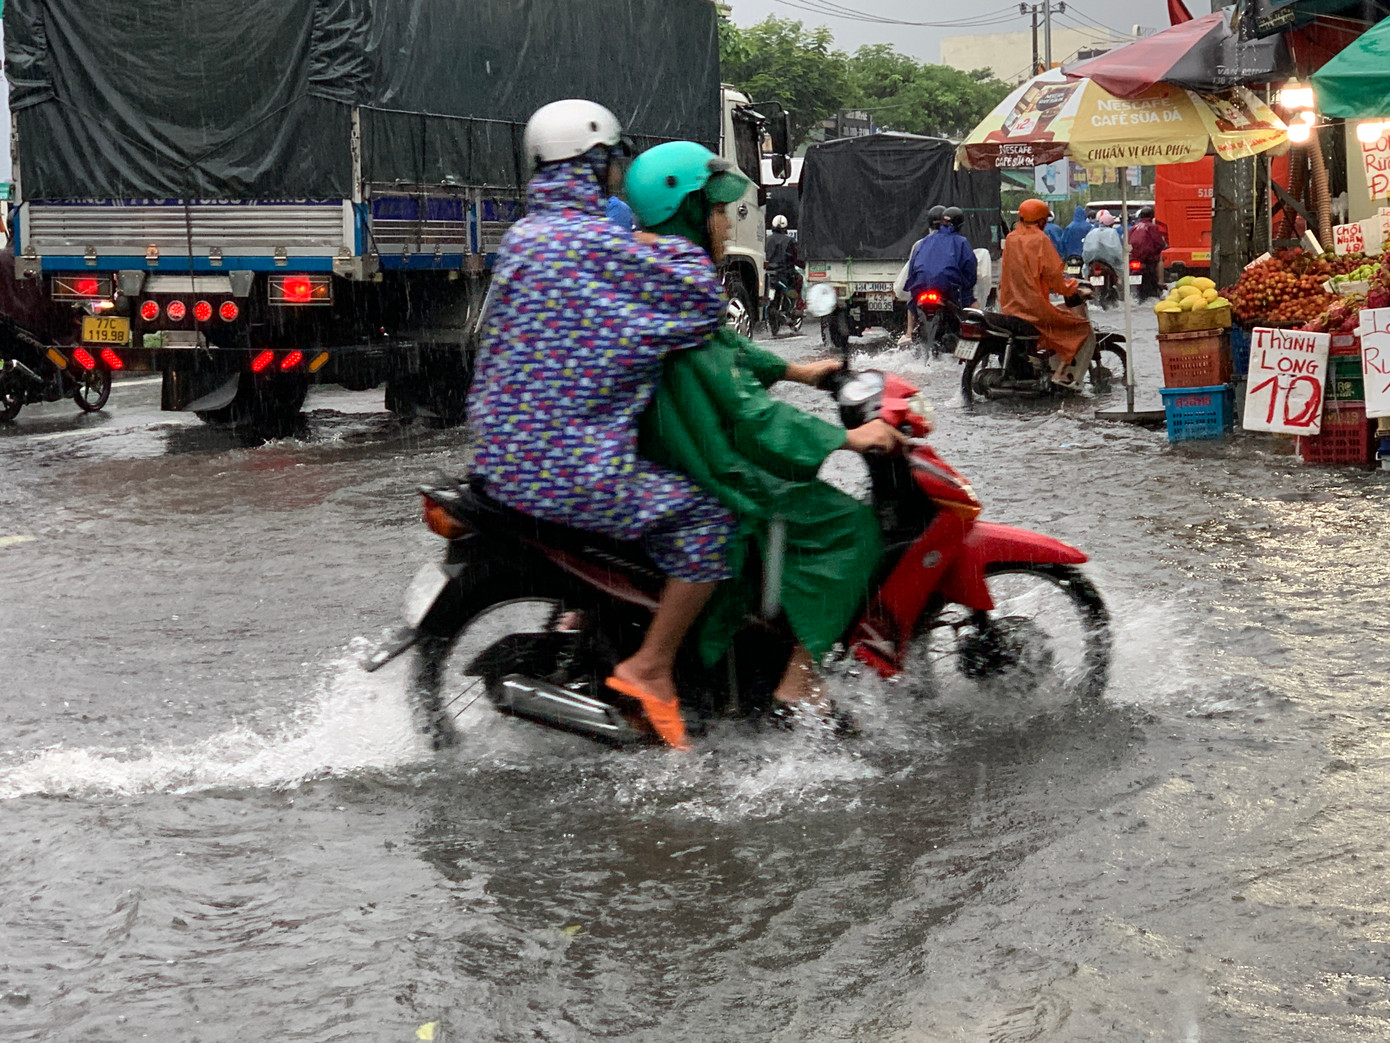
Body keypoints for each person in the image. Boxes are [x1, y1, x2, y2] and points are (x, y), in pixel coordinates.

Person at [467, 100, 741, 750]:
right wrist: (660, 245)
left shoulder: (526, 238)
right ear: (597, 165)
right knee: (708, 520)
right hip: (566, 471)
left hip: (500, 462)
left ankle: (594, 623)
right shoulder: (600, 243)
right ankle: (648, 668)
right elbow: (703, 302)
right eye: (612, 162)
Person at [625, 141, 905, 712]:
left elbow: (724, 348)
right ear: (688, 212)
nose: (729, 222)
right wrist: (844, 438)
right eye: (719, 210)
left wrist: (798, 371)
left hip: (675, 444)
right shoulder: (683, 287)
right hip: (708, 457)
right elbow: (748, 413)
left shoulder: (662, 285)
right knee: (850, 527)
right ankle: (798, 680)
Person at [998, 198, 1097, 390]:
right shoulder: (1040, 239)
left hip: (1010, 307)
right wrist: (1074, 288)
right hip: (1034, 309)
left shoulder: (1011, 238)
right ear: (1042, 220)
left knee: (1059, 318)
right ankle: (1060, 374)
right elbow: (1054, 276)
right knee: (1079, 327)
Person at [897, 204, 951, 346]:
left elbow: (911, 271)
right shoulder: (955, 242)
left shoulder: (919, 244)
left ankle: (908, 332)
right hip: (945, 289)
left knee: (911, 301)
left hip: (922, 288)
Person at [1128, 206, 1168, 299]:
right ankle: (1160, 282)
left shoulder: (1134, 227)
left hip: (1133, 258)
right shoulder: (1152, 227)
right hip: (1148, 258)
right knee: (1160, 259)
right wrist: (1163, 247)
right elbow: (1158, 243)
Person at [764, 213, 800, 315]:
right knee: (799, 280)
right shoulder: (790, 241)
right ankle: (798, 308)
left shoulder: (766, 240)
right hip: (785, 273)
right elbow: (796, 257)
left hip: (768, 273)